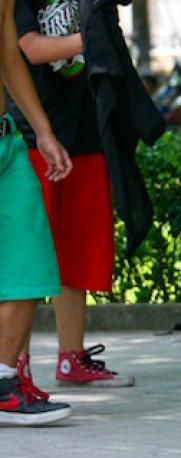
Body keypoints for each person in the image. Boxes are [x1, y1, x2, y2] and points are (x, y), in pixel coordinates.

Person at [12, 0, 134, 389]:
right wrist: (90, 40)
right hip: (31, 135)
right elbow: (29, 47)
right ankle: (14, 365)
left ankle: (71, 357)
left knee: (77, 249)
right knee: (26, 258)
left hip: (84, 132)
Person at [0, 0, 73, 425]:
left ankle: (4, 383)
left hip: (7, 143)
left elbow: (8, 54)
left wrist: (42, 131)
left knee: (31, 264)